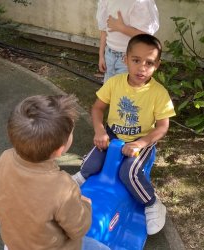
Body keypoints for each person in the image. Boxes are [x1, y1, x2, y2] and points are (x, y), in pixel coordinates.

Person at [73, 34, 176, 235]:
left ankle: (153, 203)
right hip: (112, 135)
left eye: (149, 63)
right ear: (125, 59)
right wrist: (100, 131)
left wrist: (141, 143)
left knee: (128, 173)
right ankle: (77, 181)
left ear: (157, 65)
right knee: (89, 165)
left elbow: (163, 127)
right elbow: (97, 109)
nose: (142, 67)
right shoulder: (114, 83)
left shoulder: (159, 93)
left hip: (141, 140)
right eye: (136, 60)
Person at [0, 95, 109, 250]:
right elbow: (79, 229)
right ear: (60, 150)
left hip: (14, 244)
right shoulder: (62, 186)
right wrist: (85, 205)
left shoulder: (4, 158)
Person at [96, 0, 159, 82]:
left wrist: (121, 28)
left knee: (125, 90)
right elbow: (104, 30)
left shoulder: (140, 2)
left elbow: (146, 36)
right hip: (109, 54)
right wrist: (101, 55)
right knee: (109, 87)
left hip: (130, 57)